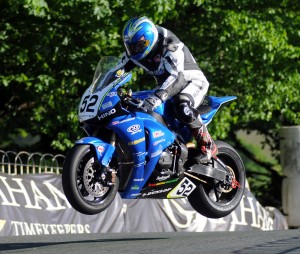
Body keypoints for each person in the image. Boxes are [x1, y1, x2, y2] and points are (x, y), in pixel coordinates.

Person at [113, 16, 217, 163]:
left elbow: (177, 77)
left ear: (148, 38)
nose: (134, 50)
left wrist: (158, 96)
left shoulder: (170, 46)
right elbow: (116, 70)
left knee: (183, 106)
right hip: (166, 87)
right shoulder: (135, 52)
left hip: (190, 82)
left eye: (138, 46)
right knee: (134, 104)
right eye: (130, 47)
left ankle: (207, 144)